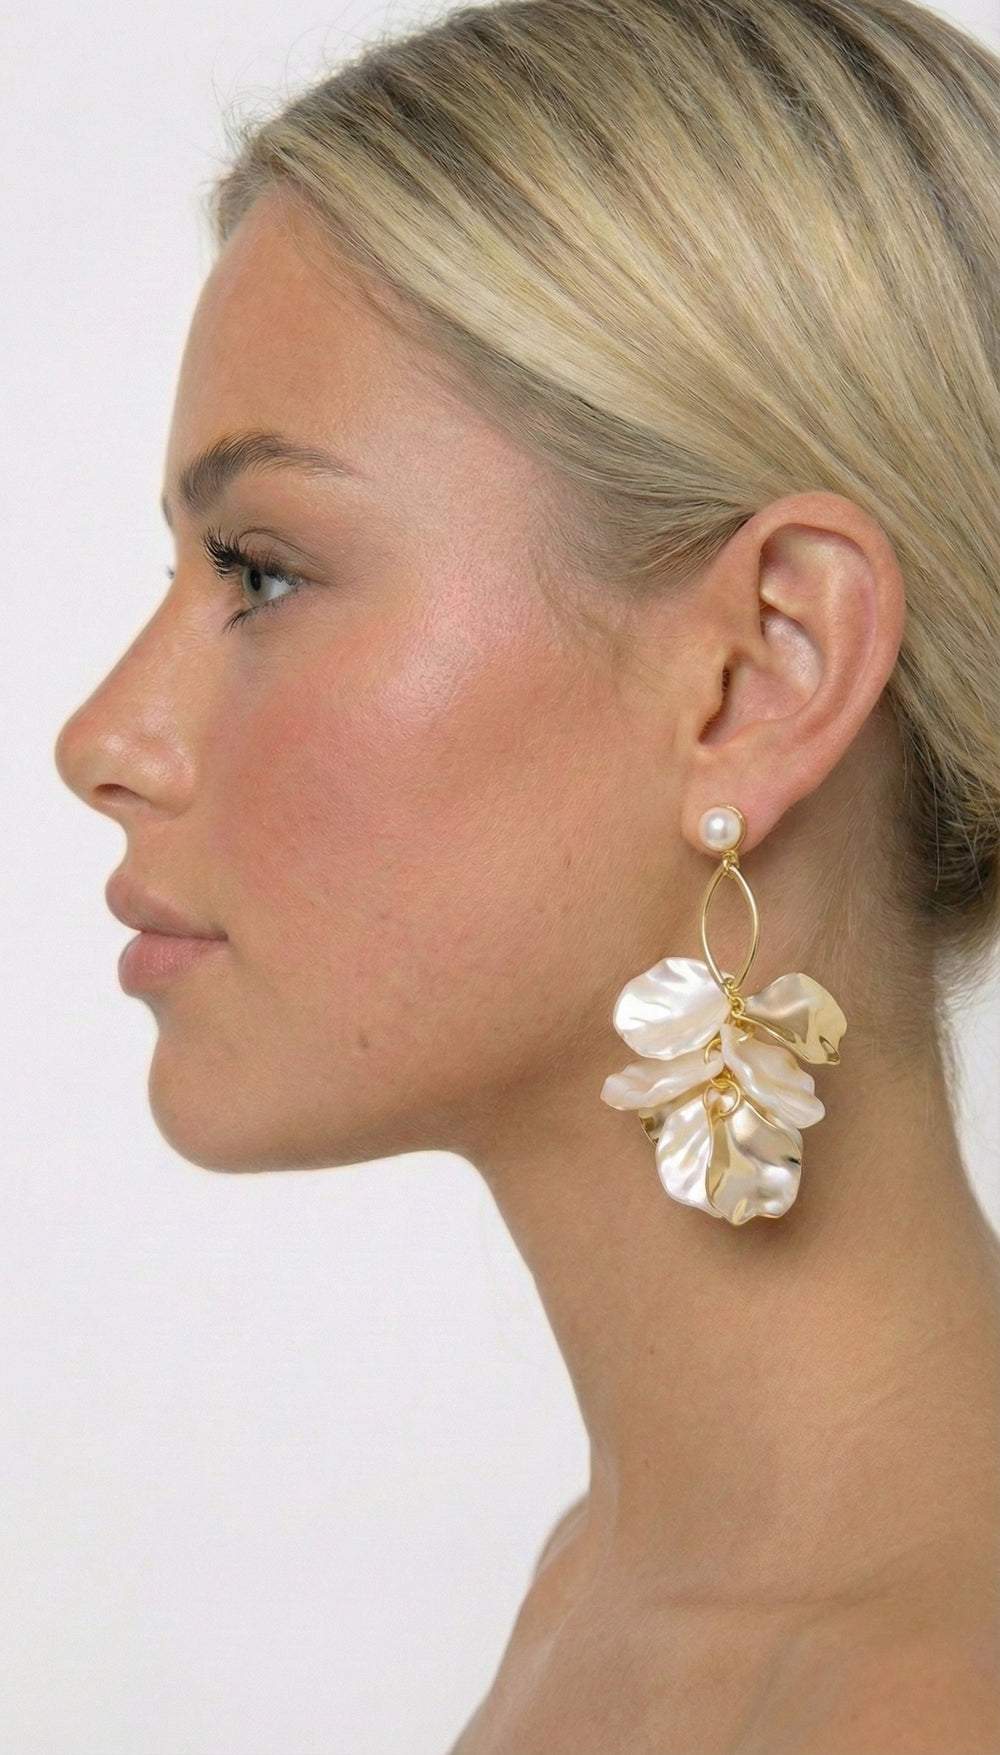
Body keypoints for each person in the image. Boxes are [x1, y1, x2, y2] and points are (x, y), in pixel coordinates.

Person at [53, 0, 1000, 1745]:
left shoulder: (918, 1699)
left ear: (759, 675)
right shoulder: (615, 1594)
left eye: (258, 573)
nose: (104, 737)